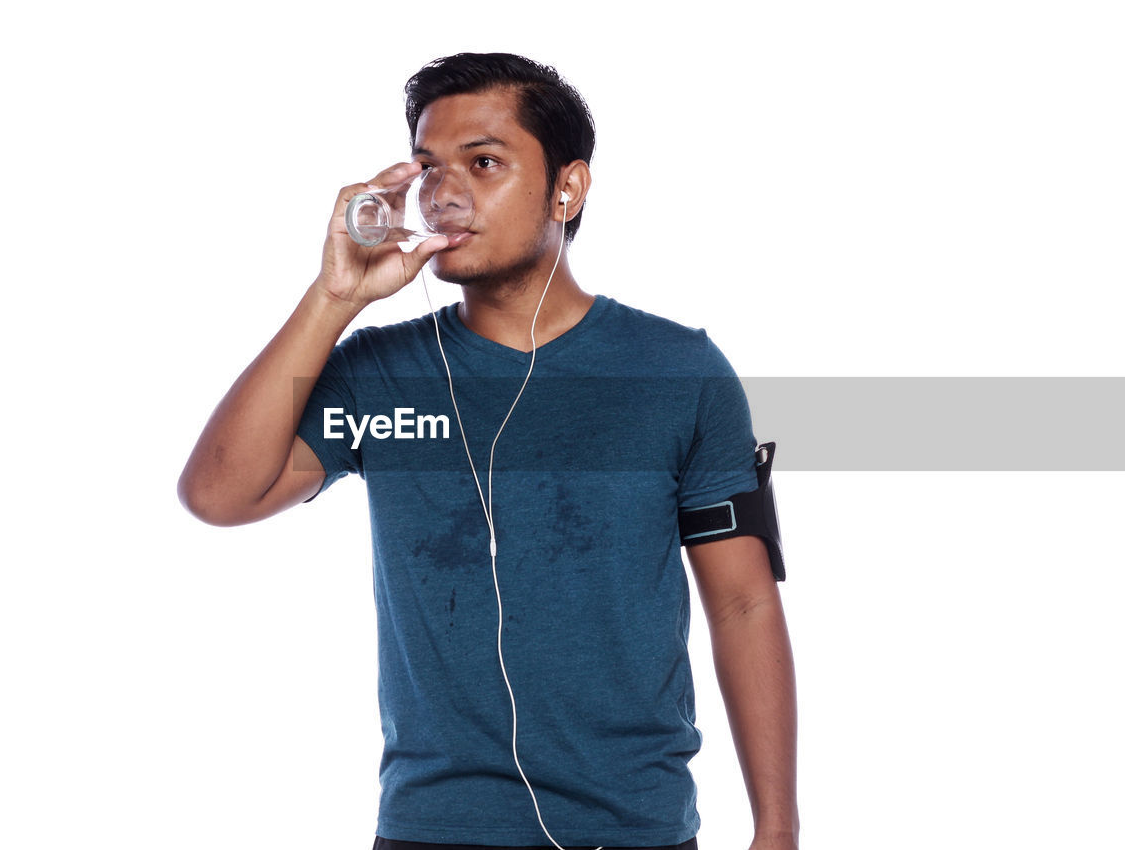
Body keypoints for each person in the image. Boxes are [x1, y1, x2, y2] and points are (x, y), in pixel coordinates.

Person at [178, 53, 798, 850]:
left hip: (635, 828)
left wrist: (776, 827)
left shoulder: (679, 371)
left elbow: (742, 602)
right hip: (432, 828)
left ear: (567, 188)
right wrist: (334, 298)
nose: (447, 192)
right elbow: (218, 493)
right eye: (430, 167)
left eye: (485, 162)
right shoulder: (380, 375)